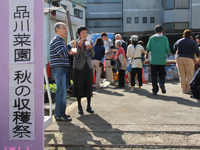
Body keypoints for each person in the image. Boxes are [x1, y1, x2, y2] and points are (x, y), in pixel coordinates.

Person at [50, 22, 77, 121]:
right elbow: (62, 54)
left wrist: (69, 49)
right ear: (57, 30)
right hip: (59, 68)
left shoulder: (60, 41)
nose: (66, 30)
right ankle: (59, 114)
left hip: (62, 68)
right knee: (61, 91)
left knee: (63, 91)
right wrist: (70, 45)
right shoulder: (57, 40)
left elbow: (63, 53)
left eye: (66, 28)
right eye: (63, 28)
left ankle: (61, 113)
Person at [72, 26, 95, 115]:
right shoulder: (75, 43)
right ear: (79, 34)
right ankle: (79, 106)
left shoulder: (90, 42)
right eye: (83, 33)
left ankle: (89, 106)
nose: (85, 34)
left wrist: (91, 48)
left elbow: (92, 56)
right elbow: (75, 56)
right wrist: (79, 46)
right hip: (79, 68)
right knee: (79, 87)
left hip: (88, 67)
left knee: (88, 86)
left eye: (86, 32)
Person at [146, 25, 170, 95]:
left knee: (154, 75)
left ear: (155, 31)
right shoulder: (165, 38)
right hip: (162, 60)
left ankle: (154, 90)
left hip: (153, 60)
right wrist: (168, 53)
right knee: (162, 73)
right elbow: (167, 48)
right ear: (162, 31)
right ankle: (162, 83)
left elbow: (148, 48)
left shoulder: (151, 38)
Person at [174, 29, 199, 94]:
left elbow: (174, 48)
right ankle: (188, 89)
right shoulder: (192, 42)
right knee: (189, 74)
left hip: (179, 58)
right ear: (191, 35)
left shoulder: (179, 41)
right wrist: (198, 58)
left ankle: (183, 89)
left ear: (184, 34)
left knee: (182, 75)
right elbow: (197, 51)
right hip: (189, 58)